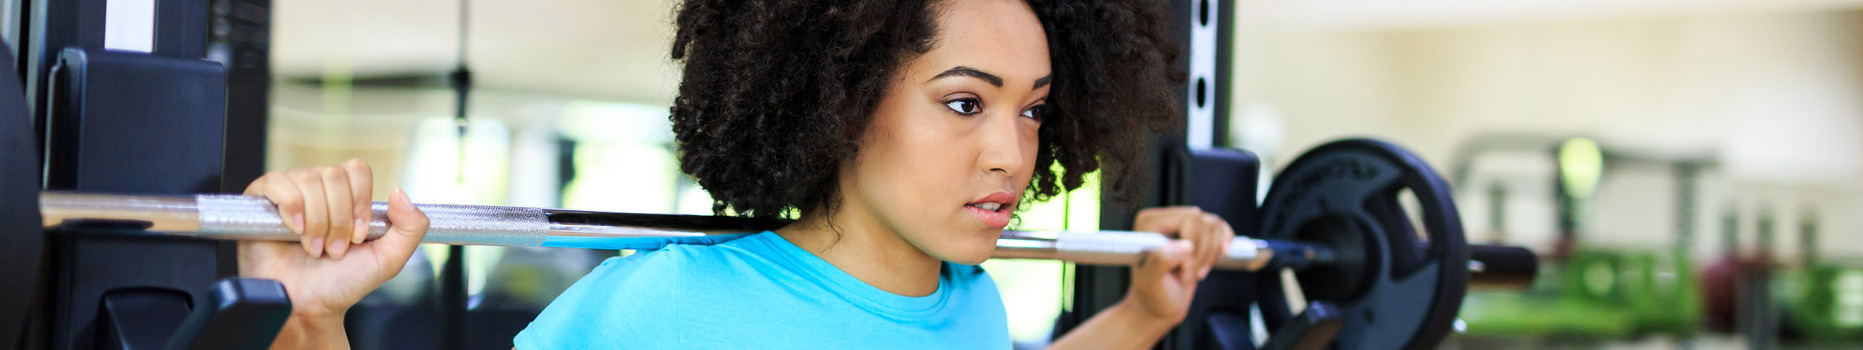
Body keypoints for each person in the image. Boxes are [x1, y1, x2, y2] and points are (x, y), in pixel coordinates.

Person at [240, 0, 1233, 348]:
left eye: (1031, 109)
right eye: (965, 103)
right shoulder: (663, 307)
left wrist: (1143, 313)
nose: (1010, 153)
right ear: (845, 97)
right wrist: (309, 321)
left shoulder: (967, 302)